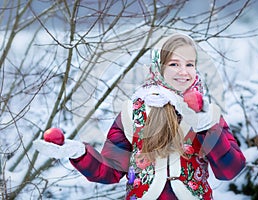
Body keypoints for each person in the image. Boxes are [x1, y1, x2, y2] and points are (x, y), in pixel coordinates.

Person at [34, 33, 246, 200]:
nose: (184, 71)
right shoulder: (132, 113)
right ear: (158, 67)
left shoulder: (207, 113)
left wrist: (206, 127)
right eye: (174, 64)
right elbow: (111, 171)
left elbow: (230, 170)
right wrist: (79, 153)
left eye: (189, 64)